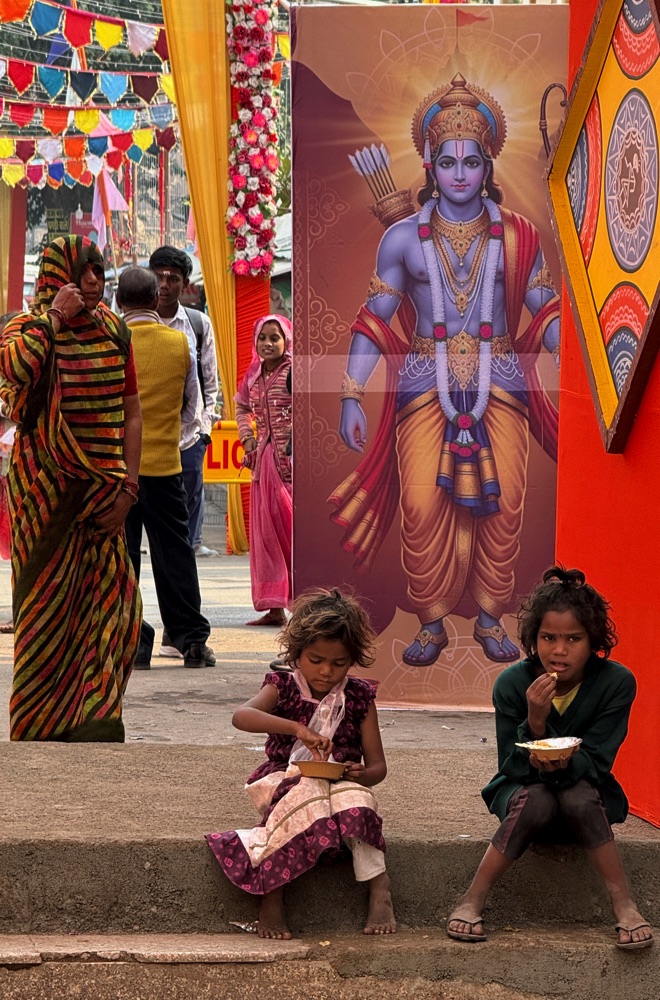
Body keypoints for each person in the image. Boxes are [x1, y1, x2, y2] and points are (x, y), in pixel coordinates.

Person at [331, 74, 560, 667]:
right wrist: (352, 393)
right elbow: (375, 318)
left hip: (500, 377)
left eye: (472, 162)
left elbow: (545, 310)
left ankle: (489, 617)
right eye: (449, 162)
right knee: (420, 503)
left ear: (488, 167)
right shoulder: (402, 238)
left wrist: (578, 363)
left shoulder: (520, 235)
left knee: (507, 500)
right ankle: (431, 620)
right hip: (422, 382)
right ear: (431, 166)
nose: (461, 174)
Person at [447, 565, 653, 950]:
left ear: (593, 641)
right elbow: (512, 766)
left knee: (576, 794)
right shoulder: (513, 684)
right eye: (548, 638)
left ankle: (624, 905)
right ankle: (471, 900)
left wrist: (558, 758)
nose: (559, 650)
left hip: (586, 797)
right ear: (533, 638)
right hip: (525, 796)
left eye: (574, 638)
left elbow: (597, 761)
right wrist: (536, 722)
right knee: (540, 798)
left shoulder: (615, 683)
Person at [0, 236, 142, 741]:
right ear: (56, 275)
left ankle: (96, 714)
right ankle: (39, 721)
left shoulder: (115, 331)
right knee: (47, 610)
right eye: (83, 271)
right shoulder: (26, 326)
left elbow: (131, 413)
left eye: (98, 270)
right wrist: (55, 318)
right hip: (44, 497)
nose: (93, 281)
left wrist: (129, 489)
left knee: (115, 607)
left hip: (104, 495)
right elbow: (16, 369)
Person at [205, 588, 396, 939]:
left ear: (352, 660)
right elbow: (241, 716)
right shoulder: (284, 687)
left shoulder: (359, 698)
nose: (326, 671)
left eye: (339, 663)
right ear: (296, 654)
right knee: (303, 796)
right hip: (283, 779)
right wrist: (297, 729)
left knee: (359, 801)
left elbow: (378, 767)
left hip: (339, 782)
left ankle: (378, 885)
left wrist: (360, 775)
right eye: (316, 659)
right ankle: (273, 894)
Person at [116, 267, 215, 671]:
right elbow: (193, 407)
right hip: (165, 465)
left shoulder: (112, 341)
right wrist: (172, 437)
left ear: (119, 302)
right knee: (175, 552)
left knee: (122, 558)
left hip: (117, 471)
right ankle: (191, 640)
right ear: (155, 299)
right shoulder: (179, 342)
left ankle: (132, 641)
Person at [236, 314, 292, 627]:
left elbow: (308, 409)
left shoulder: (294, 372)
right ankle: (274, 607)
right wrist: (247, 437)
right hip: (263, 463)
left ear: (287, 341)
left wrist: (295, 442)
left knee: (290, 532)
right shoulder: (254, 374)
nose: (268, 344)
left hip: (290, 466)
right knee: (265, 535)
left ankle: (303, 603)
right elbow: (242, 407)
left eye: (275, 337)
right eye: (263, 337)